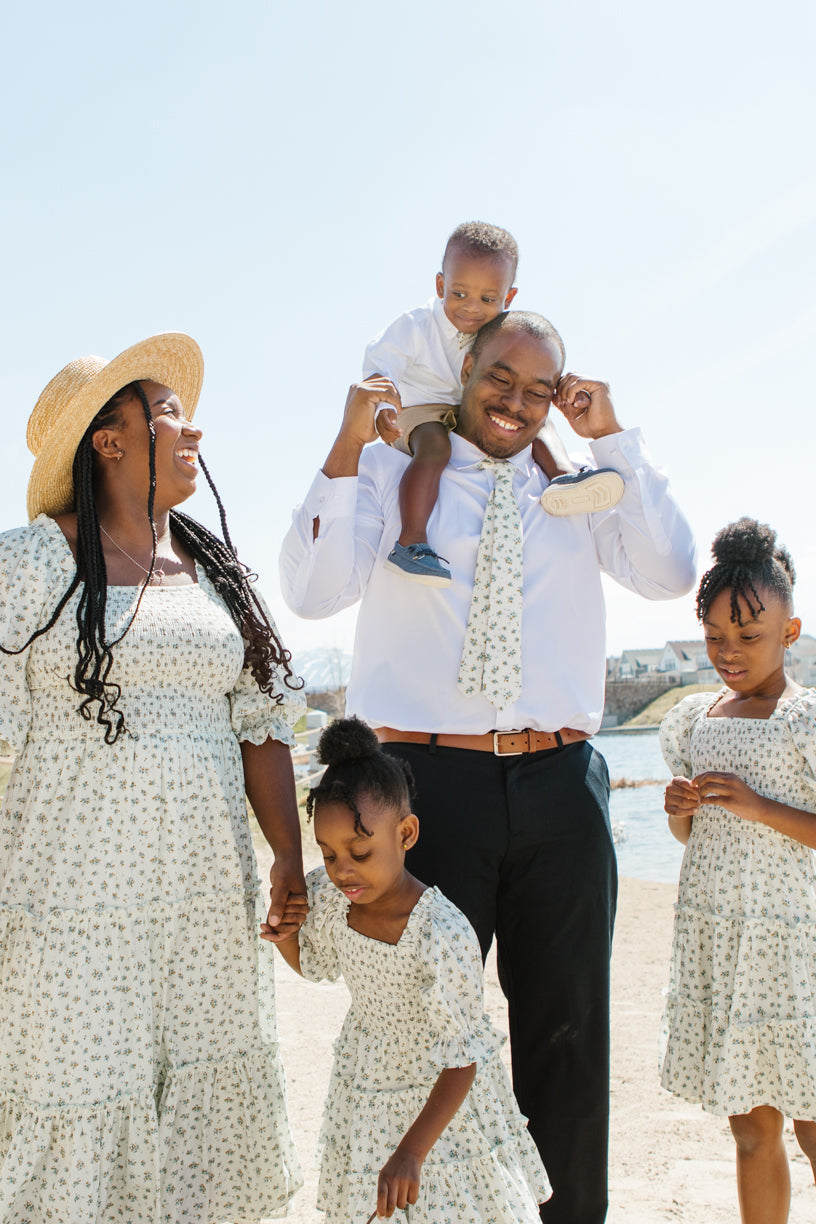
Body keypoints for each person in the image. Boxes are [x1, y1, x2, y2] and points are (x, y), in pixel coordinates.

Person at [279, 309, 696, 1224]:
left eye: (537, 389)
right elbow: (309, 592)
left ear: (558, 397)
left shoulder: (583, 488)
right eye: (499, 378)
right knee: (427, 1044)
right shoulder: (395, 477)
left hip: (562, 784)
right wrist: (349, 445)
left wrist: (611, 435)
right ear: (465, 367)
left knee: (568, 1043)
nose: (515, 402)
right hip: (429, 794)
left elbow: (672, 572)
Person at [0, 334, 305, 1222]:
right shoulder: (26, 564)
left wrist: (288, 856)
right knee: (75, 1097)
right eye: (166, 411)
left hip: (208, 904)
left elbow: (261, 725)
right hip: (69, 905)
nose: (192, 429)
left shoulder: (218, 576)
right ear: (109, 440)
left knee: (201, 1122)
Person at [267, 716, 551, 1222]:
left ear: (406, 832)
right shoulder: (335, 900)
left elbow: (463, 1058)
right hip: (369, 1086)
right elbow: (314, 964)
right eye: (329, 855)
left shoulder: (440, 933)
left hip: (441, 1105)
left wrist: (412, 1151)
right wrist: (285, 931)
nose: (342, 870)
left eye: (360, 852)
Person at [660, 518, 816, 1224]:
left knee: (814, 1126)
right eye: (716, 637)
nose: (729, 652)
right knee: (752, 1129)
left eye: (749, 637)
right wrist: (678, 808)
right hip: (728, 949)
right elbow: (693, 839)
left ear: (790, 632)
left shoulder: (803, 718)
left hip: (794, 955)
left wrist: (760, 807)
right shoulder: (697, 719)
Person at [365, 221, 624, 585]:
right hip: (420, 409)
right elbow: (382, 362)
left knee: (533, 418)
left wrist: (558, 387)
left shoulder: (502, 330)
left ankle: (564, 478)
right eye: (459, 294)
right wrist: (384, 408)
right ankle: (411, 541)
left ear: (509, 297)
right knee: (435, 447)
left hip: (467, 409)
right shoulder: (416, 326)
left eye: (487, 299)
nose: (471, 308)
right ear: (440, 286)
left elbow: (532, 364)